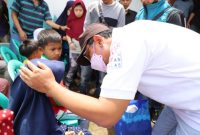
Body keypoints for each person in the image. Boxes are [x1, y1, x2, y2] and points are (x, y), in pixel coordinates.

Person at [19, 21, 200, 135]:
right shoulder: (133, 34)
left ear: (99, 41)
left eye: (91, 56)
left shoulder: (125, 45)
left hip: (195, 106)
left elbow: (107, 115)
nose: (95, 63)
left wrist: (50, 86)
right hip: (181, 102)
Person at [80, 0, 125, 97]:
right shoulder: (92, 6)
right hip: (91, 47)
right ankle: (82, 95)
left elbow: (120, 31)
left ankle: (100, 98)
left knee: (103, 79)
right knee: (84, 75)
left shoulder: (119, 8)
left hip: (107, 50)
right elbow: (86, 27)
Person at [63, 0, 86, 88]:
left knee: (83, 69)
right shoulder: (70, 20)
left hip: (83, 48)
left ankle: (81, 87)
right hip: (73, 47)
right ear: (73, 10)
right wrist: (70, 43)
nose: (78, 12)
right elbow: (68, 34)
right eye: (76, 10)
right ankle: (67, 85)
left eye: (80, 10)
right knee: (73, 66)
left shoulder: (86, 21)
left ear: (84, 10)